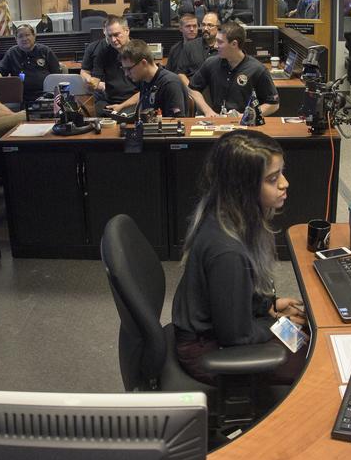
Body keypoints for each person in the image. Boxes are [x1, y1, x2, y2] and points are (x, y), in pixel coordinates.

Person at [171, 129, 306, 387]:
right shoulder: (228, 252)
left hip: (216, 329)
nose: (284, 183)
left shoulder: (225, 213)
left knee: (304, 333)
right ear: (243, 187)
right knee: (311, 361)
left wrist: (267, 305)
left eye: (281, 173)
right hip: (206, 351)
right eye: (272, 178)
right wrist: (276, 323)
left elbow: (230, 295)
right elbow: (236, 337)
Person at [188, 21, 279, 118]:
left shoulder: (257, 69)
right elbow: (192, 89)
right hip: (218, 121)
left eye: (220, 42)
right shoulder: (211, 63)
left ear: (234, 44)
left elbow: (273, 104)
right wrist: (207, 111)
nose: (215, 46)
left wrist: (246, 115)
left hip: (245, 123)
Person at [81, 16, 138, 112]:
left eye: (116, 35)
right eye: (109, 36)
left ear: (127, 31)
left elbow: (146, 91)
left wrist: (121, 106)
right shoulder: (103, 52)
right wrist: (90, 83)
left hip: (133, 101)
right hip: (109, 101)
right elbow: (95, 80)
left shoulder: (138, 51)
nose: (113, 40)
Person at [120, 40, 189, 119]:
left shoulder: (170, 83)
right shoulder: (145, 81)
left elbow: (177, 122)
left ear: (144, 63)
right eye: (124, 69)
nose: (126, 74)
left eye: (129, 69)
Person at [0, 24, 61, 106]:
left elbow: (57, 75)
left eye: (27, 35)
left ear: (34, 36)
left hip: (45, 96)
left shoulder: (45, 51)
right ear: (16, 39)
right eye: (20, 36)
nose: (24, 39)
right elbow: (0, 71)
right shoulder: (12, 53)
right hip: (22, 98)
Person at [167, 11, 220, 86]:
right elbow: (178, 73)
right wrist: (191, 91)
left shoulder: (223, 47)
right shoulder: (183, 48)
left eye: (210, 25)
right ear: (180, 28)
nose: (205, 28)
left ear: (218, 27)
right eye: (203, 25)